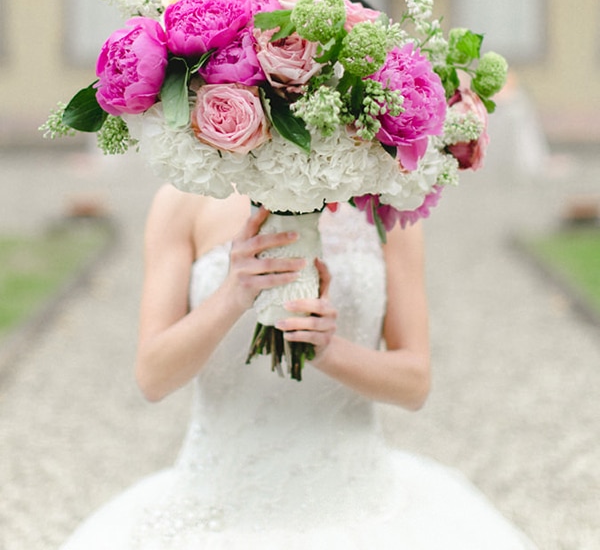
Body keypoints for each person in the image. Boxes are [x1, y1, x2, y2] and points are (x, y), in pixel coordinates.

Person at [59, 185, 537, 549]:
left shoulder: (389, 201)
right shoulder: (185, 198)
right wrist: (233, 293)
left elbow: (414, 383)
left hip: (357, 500)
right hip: (217, 500)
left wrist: (327, 349)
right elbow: (153, 376)